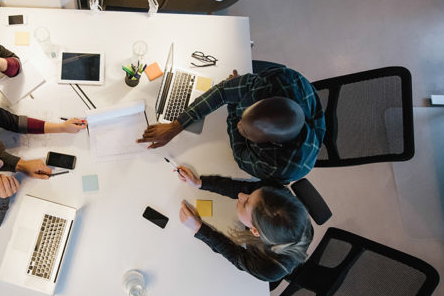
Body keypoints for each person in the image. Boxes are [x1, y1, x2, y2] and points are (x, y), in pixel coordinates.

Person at [138, 66, 325, 184]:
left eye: (245, 132)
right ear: (262, 100)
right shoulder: (280, 80)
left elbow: (240, 155)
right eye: (244, 116)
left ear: (270, 143)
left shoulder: (277, 165)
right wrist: (176, 126)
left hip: (285, 165)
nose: (239, 127)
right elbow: (223, 91)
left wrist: (234, 108)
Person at [175, 165, 312, 282]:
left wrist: (199, 229)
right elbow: (244, 188)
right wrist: (199, 183)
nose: (241, 195)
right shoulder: (274, 194)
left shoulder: (268, 268)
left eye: (246, 203)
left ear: (255, 231)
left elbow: (236, 256)